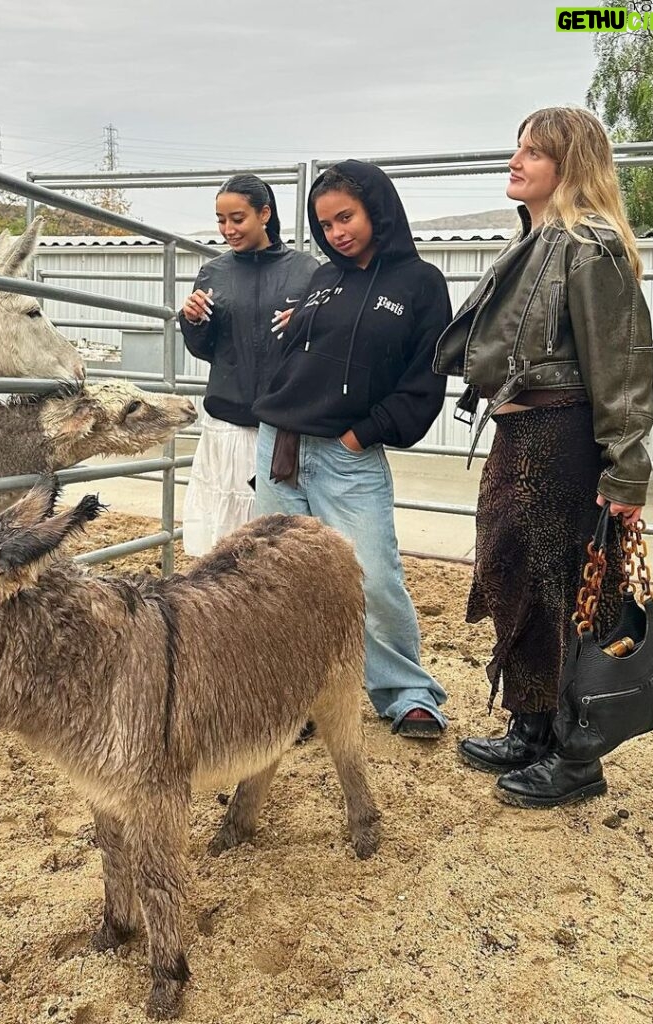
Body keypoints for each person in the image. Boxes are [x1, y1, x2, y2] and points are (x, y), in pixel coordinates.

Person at [433, 106, 653, 807]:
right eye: (517, 148)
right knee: (514, 579)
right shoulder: (535, 241)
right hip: (521, 437)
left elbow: (621, 368)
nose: (516, 160)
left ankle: (576, 758)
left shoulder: (592, 247)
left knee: (566, 595)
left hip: (561, 443)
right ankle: (531, 727)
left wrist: (626, 471)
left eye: (535, 152)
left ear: (571, 165)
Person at [252, 161, 452, 739]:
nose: (337, 231)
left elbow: (424, 381)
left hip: (349, 455)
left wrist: (361, 434)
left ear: (377, 210)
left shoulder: (420, 283)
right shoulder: (322, 279)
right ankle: (296, 701)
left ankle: (407, 692)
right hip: (282, 446)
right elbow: (300, 356)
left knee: (372, 574)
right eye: (325, 223)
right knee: (282, 579)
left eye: (347, 216)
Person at [178, 175, 318, 555]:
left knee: (276, 539)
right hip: (227, 423)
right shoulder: (213, 273)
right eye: (221, 220)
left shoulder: (305, 271)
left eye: (237, 219)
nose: (227, 230)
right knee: (221, 540)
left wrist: (306, 324)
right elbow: (206, 350)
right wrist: (192, 321)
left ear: (265, 214)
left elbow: (321, 349)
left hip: (282, 425)